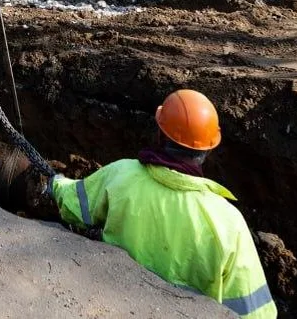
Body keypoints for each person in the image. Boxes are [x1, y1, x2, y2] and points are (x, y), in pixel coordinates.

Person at [48, 89, 277, 318]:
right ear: (208, 150)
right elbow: (255, 313)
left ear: (160, 134)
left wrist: (55, 183)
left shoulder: (122, 175)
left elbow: (73, 206)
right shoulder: (229, 223)